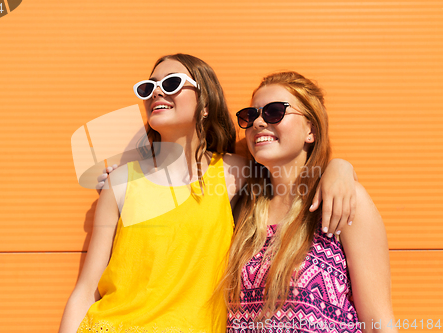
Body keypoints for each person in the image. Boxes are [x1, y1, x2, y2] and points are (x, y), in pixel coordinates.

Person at [59, 54, 358, 333]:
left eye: (172, 83)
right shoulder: (121, 182)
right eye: (149, 87)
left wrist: (340, 168)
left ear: (205, 104)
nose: (157, 93)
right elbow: (86, 290)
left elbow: (294, 166)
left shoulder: (236, 173)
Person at [223, 71, 396, 332]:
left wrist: (340, 166)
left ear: (311, 130)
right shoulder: (241, 210)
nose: (258, 123)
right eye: (251, 115)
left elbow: (378, 324)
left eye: (274, 112)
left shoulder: (343, 202)